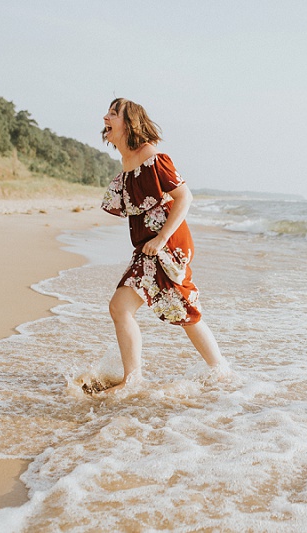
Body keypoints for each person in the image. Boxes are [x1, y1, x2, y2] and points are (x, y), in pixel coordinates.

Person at [97, 97, 224, 394]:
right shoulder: (127, 159)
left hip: (166, 245)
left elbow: (185, 198)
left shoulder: (152, 156)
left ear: (129, 122)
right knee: (128, 308)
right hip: (148, 246)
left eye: (113, 113)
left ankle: (220, 371)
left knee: (182, 308)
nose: (105, 117)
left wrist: (161, 239)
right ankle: (137, 379)